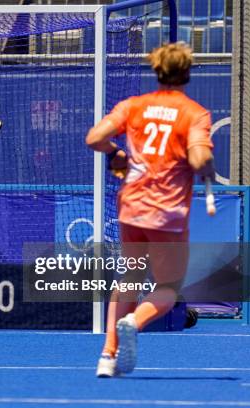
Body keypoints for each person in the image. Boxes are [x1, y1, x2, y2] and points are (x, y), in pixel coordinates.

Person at [85, 42, 214, 377]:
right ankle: (135, 321)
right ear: (186, 73)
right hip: (167, 212)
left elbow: (94, 138)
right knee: (168, 287)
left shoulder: (134, 106)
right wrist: (206, 166)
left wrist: (115, 154)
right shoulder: (194, 113)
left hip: (132, 206)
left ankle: (107, 354)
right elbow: (200, 160)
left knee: (129, 277)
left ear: (157, 71)